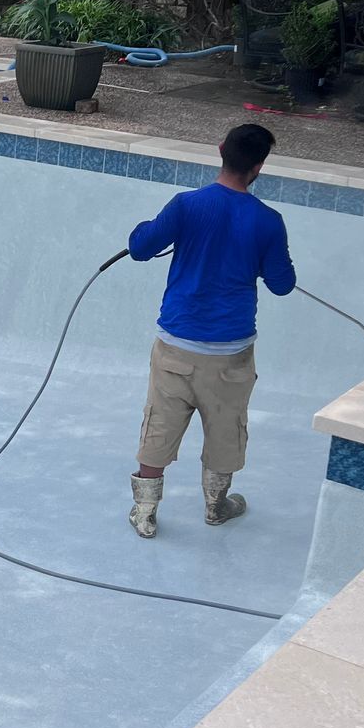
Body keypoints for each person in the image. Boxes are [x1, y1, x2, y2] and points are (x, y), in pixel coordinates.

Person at [126, 123, 296, 540]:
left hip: (176, 348)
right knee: (226, 428)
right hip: (231, 354)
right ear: (258, 168)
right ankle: (216, 507)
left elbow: (140, 247)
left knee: (160, 425)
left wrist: (145, 227)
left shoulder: (186, 206)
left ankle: (145, 512)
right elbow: (282, 284)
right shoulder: (269, 221)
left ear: (220, 149)